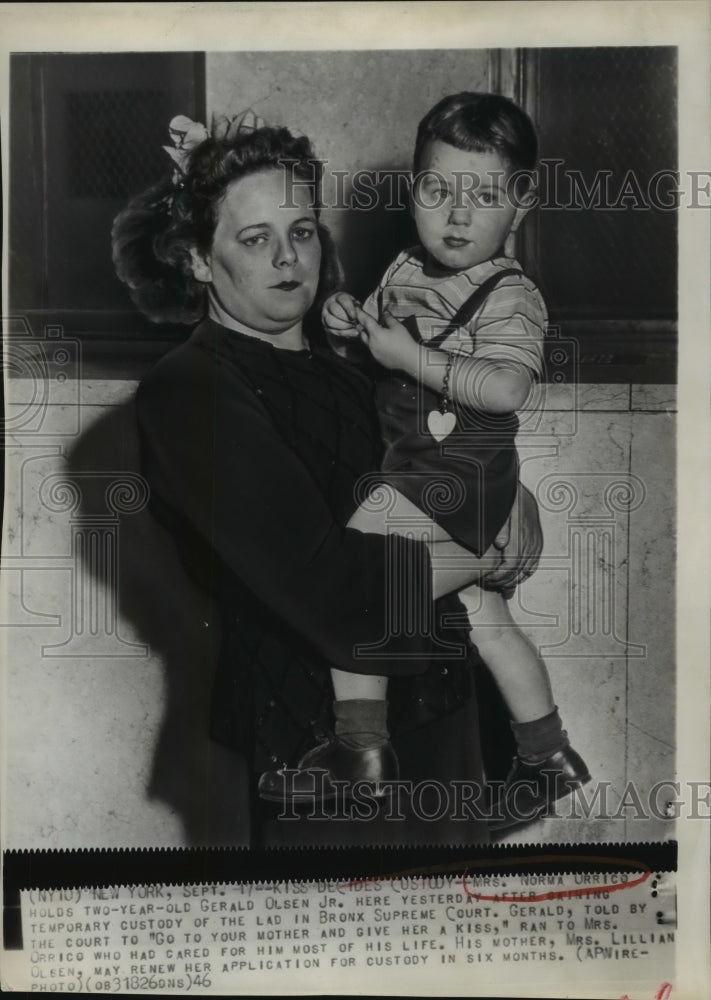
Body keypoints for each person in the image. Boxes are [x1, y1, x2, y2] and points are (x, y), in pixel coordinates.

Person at [113, 113, 542, 844]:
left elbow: (441, 462)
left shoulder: (350, 366)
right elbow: (334, 594)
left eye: (303, 230)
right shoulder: (189, 390)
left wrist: (515, 501)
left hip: (447, 726)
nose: (289, 259)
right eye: (255, 239)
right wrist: (483, 548)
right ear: (195, 259)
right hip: (319, 753)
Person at [278, 93, 590, 826]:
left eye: (482, 196)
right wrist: (350, 326)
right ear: (413, 190)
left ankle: (360, 747)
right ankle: (546, 754)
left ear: (519, 205)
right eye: (436, 190)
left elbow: (508, 386)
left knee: (353, 581)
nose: (455, 215)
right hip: (424, 468)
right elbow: (382, 355)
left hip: (452, 475)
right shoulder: (407, 267)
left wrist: (408, 353)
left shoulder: (511, 296)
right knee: (484, 617)